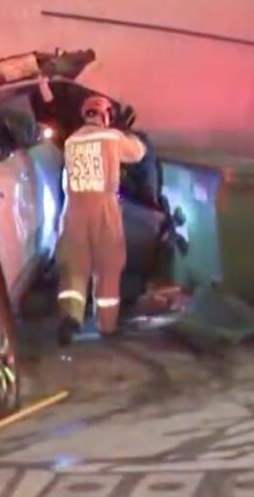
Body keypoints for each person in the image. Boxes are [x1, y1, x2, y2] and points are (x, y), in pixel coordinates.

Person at [56, 94, 146, 345]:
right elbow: (138, 153)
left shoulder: (71, 141)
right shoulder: (111, 137)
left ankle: (70, 319)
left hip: (72, 208)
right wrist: (126, 132)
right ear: (105, 115)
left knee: (74, 268)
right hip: (103, 208)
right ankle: (106, 325)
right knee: (109, 266)